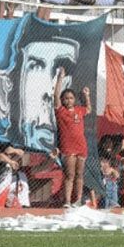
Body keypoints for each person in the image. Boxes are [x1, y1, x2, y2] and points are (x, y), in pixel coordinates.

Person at [54, 79, 91, 207]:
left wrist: (86, 95)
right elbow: (55, 96)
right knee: (70, 174)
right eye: (66, 98)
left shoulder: (79, 110)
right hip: (68, 147)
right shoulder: (61, 111)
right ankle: (67, 201)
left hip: (81, 145)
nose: (68, 100)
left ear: (74, 100)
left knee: (79, 174)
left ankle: (78, 200)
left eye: (71, 98)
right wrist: (60, 78)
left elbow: (89, 109)